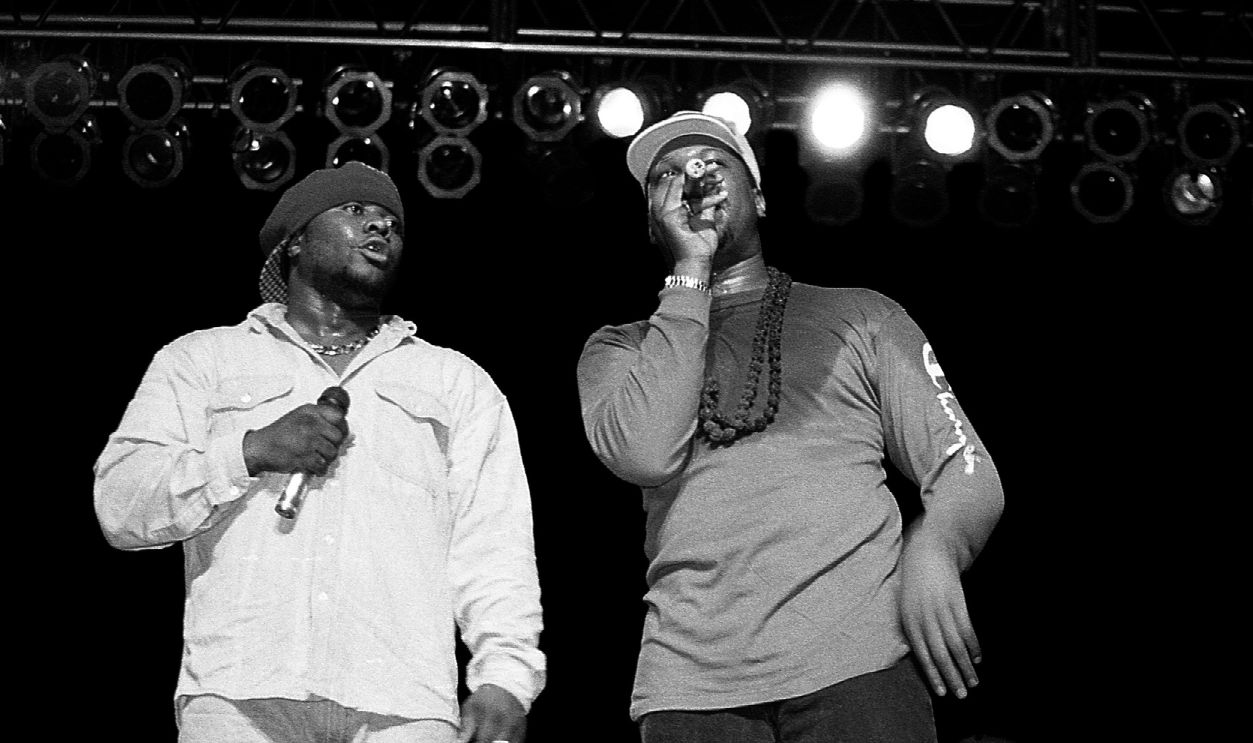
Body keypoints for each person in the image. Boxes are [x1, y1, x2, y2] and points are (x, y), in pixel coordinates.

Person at [575, 111, 1005, 743]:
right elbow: (643, 453)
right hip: (691, 687)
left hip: (862, 664)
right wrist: (690, 273)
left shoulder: (862, 315)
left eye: (714, 165)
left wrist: (935, 547)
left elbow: (968, 471)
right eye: (665, 177)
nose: (690, 180)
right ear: (651, 219)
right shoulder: (619, 348)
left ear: (761, 197)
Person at [94, 162, 544, 743]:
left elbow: (495, 543)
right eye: (355, 211)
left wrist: (505, 676)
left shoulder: (455, 381)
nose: (380, 227)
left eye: (392, 223)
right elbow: (120, 502)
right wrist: (250, 450)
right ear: (297, 241)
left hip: (402, 702)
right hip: (240, 695)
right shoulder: (203, 360)